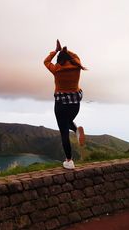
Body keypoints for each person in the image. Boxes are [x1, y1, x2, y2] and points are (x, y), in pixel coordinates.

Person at [43, 39, 87, 169]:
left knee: (64, 132)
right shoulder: (77, 65)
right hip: (75, 103)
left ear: (59, 60)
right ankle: (76, 131)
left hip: (61, 104)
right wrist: (65, 50)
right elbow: (75, 56)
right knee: (68, 121)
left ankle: (69, 161)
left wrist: (56, 51)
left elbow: (45, 61)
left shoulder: (57, 69)